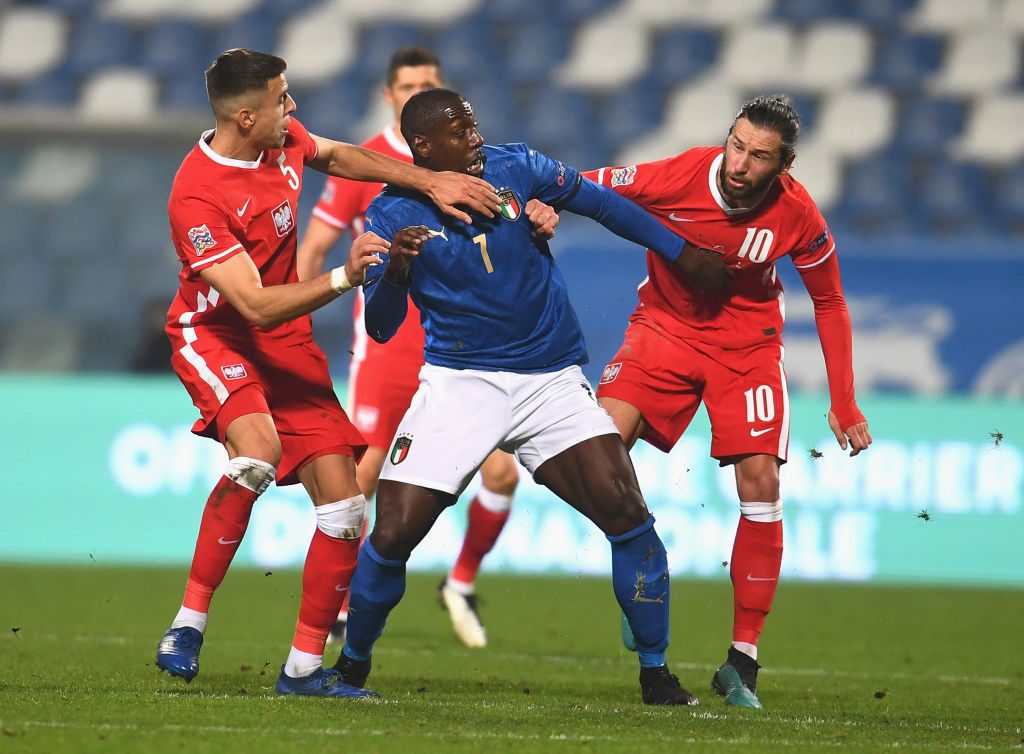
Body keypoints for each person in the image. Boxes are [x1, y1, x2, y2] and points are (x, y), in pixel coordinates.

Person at [329, 87, 707, 706]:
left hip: (549, 379)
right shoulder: (392, 215)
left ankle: (656, 672)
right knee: (393, 534)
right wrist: (395, 269)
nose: (475, 138)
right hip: (459, 383)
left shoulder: (516, 167)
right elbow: (379, 326)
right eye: (460, 130)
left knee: (629, 515)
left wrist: (680, 251)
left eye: (475, 125)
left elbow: (604, 205)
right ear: (424, 147)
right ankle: (352, 667)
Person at [157, 48, 501, 700]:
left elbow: (341, 157)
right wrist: (345, 276)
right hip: (216, 332)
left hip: (284, 341)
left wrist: (427, 181)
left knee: (345, 512)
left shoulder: (280, 141)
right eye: (284, 100)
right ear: (247, 115)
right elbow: (252, 303)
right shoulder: (196, 195)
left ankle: (304, 671)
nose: (295, 110)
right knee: (257, 455)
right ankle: (189, 621)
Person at [584, 94, 873, 709]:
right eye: (736, 145)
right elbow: (589, 187)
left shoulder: (798, 214)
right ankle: (641, 583)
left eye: (759, 156)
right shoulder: (678, 175)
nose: (740, 164)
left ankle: (742, 660)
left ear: (785, 164)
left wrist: (843, 401)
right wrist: (539, 203)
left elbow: (831, 301)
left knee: (761, 482)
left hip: (747, 347)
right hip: (662, 328)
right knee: (598, 450)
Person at [297, 48, 554, 649]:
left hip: (461, 347)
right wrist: (298, 329)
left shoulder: (472, 162)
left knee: (501, 473)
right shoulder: (364, 163)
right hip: (387, 348)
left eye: (429, 82)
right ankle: (336, 602)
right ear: (390, 96)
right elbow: (316, 249)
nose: (418, 87)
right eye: (409, 83)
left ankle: (460, 582)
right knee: (363, 473)